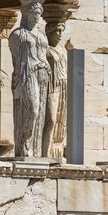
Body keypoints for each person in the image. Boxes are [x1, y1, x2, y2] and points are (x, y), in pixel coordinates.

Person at [9, 1, 50, 158]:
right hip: (27, 76)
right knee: (32, 109)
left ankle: (35, 148)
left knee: (41, 113)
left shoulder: (41, 34)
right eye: (34, 13)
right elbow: (16, 60)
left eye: (39, 14)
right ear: (26, 14)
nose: (37, 17)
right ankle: (24, 142)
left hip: (43, 75)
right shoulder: (18, 35)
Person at [42, 21, 67, 158]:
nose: (60, 34)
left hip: (63, 86)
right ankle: (44, 152)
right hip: (50, 86)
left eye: (62, 31)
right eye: (58, 30)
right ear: (50, 31)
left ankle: (55, 151)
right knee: (50, 119)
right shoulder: (45, 49)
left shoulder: (62, 50)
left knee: (60, 120)